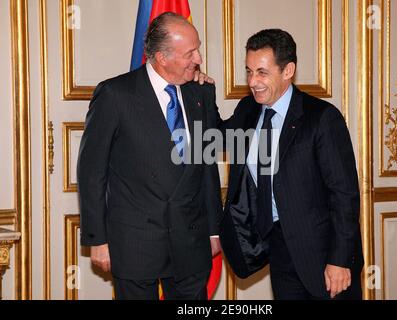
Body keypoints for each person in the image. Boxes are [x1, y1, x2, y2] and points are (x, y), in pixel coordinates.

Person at [77, 12, 222, 300]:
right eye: (190, 52)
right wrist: (98, 239)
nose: (199, 59)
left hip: (191, 240)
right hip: (135, 243)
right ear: (161, 57)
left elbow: (207, 166)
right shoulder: (115, 94)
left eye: (198, 48)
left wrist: (213, 231)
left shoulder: (200, 93)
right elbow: (92, 171)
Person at [219, 29, 364, 300]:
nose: (253, 81)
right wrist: (197, 88)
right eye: (249, 71)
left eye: (262, 72)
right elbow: (212, 138)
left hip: (324, 256)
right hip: (280, 253)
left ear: (288, 71)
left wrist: (340, 260)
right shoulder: (247, 111)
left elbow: (344, 195)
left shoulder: (321, 118)